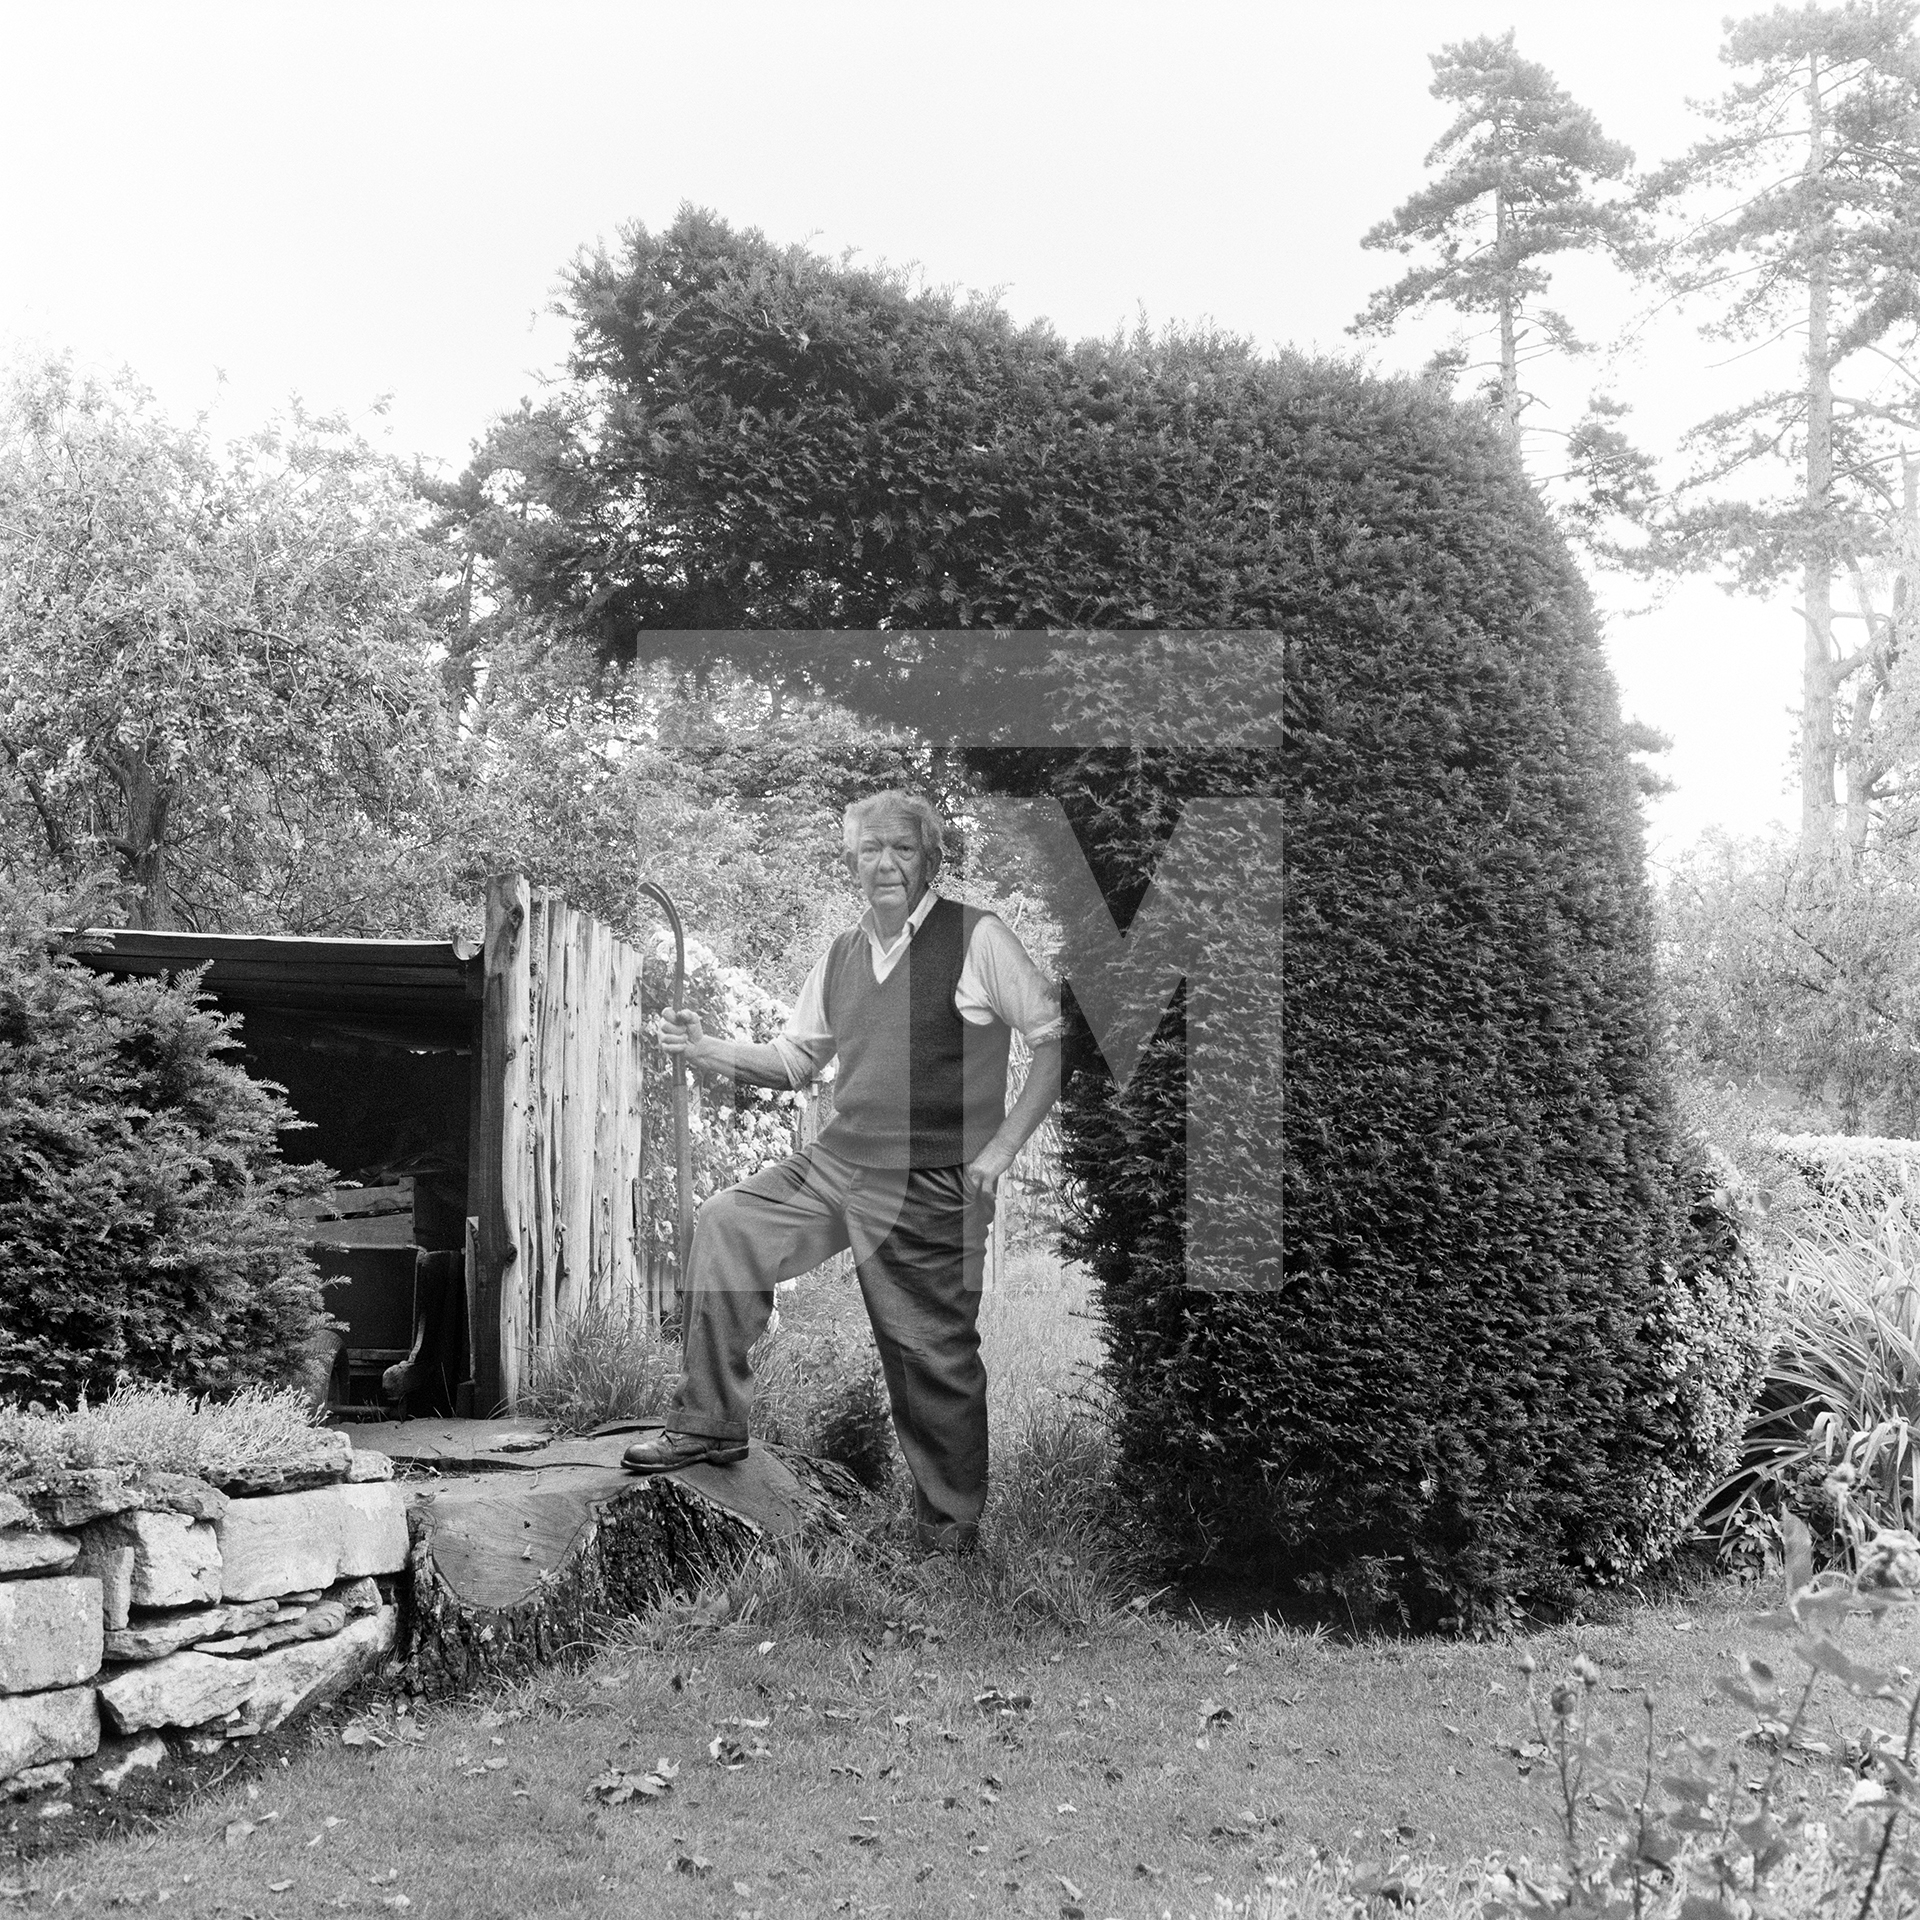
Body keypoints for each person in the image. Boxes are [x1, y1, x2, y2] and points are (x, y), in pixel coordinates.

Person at [621, 790, 1065, 1555]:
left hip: (930, 1178)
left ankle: (950, 1536)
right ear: (852, 862)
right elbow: (798, 1060)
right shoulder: (841, 953)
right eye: (869, 850)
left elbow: (1054, 1043)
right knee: (731, 1222)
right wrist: (705, 1051)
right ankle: (710, 1425)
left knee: (930, 1352)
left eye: (902, 848)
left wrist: (999, 1153)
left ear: (931, 859)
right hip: (839, 1163)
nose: (885, 864)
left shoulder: (978, 937)